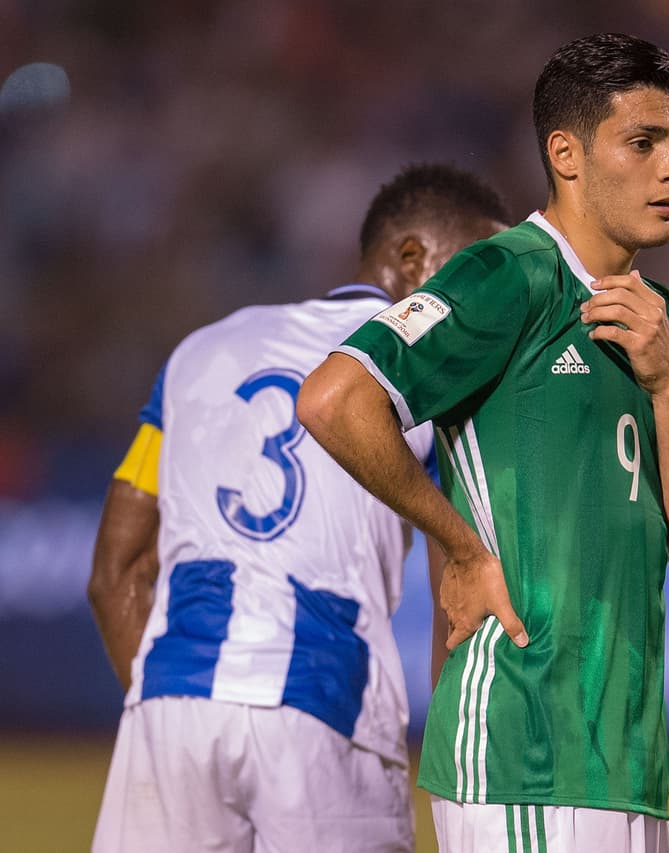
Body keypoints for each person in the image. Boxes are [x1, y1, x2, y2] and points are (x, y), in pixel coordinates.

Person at [297, 33, 669, 852]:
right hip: (524, 751)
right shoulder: (510, 275)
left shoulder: (662, 322)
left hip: (627, 765)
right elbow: (334, 398)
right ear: (566, 155)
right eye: (643, 143)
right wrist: (462, 550)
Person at [86, 163, 511, 853]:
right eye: (472, 276)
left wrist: (183, 709)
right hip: (326, 698)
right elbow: (456, 597)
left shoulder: (199, 350)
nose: (488, 304)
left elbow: (114, 575)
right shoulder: (429, 370)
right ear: (411, 258)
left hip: (171, 705)